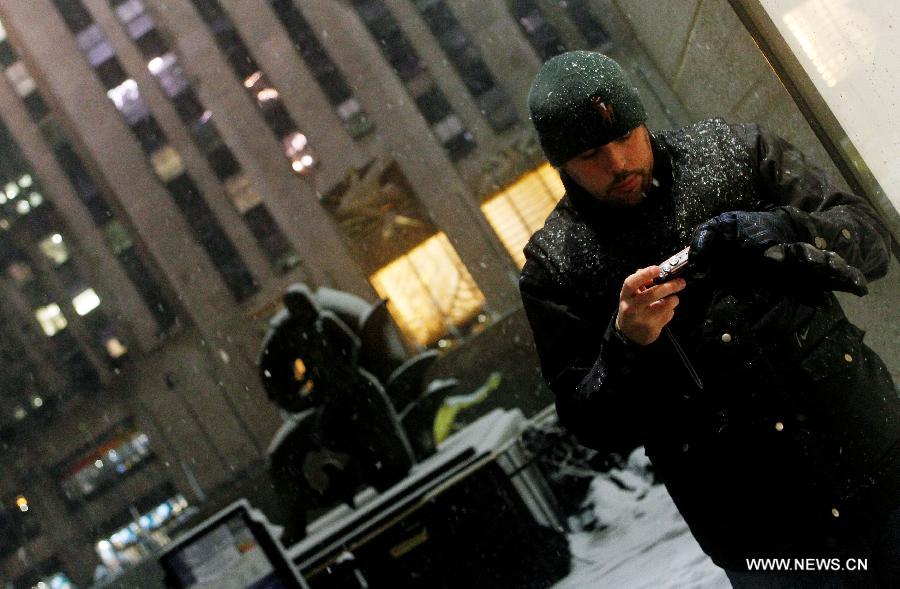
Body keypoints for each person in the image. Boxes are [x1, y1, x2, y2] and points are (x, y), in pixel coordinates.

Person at [520, 50, 900, 587]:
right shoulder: (557, 265)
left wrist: (784, 228)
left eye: (626, 135)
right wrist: (626, 345)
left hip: (879, 463)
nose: (617, 164)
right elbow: (589, 423)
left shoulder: (732, 151)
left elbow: (871, 237)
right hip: (763, 536)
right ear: (560, 162)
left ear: (642, 119)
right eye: (589, 154)